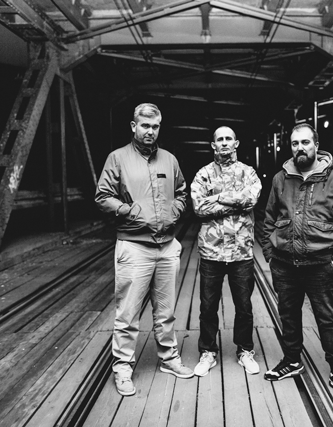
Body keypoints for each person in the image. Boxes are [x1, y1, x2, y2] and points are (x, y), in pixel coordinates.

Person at [95, 103, 193, 397]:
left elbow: (182, 192)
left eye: (155, 126)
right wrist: (130, 212)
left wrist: (175, 211)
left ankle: (169, 359)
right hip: (134, 246)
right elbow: (103, 196)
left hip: (166, 246)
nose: (150, 131)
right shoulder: (118, 158)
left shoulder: (169, 160)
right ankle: (123, 368)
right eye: (145, 125)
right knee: (127, 313)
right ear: (133, 126)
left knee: (166, 311)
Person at [261, 123, 333, 402]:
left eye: (305, 142)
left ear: (316, 145)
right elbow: (268, 219)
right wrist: (270, 255)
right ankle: (292, 360)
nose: (300, 148)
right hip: (284, 263)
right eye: (295, 144)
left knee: (327, 319)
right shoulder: (281, 179)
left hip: (321, 264)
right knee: (288, 315)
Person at [190, 126, 262, 377]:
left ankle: (245, 350)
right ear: (213, 145)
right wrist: (235, 201)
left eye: (228, 139)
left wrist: (218, 198)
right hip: (212, 251)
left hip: (241, 251)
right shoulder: (203, 174)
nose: (224, 143)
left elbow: (251, 199)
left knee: (244, 306)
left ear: (236, 143)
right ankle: (207, 352)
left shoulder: (248, 172)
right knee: (208, 306)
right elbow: (199, 208)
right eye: (219, 139)